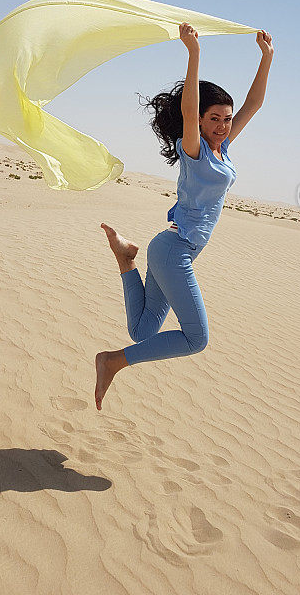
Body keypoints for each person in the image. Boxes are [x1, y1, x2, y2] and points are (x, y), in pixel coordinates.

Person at [95, 22, 274, 409]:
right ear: (199, 121)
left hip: (174, 249)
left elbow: (254, 104)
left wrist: (267, 58)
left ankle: (127, 261)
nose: (223, 125)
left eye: (226, 119)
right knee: (196, 339)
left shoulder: (223, 148)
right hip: (174, 251)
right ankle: (112, 362)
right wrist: (193, 54)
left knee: (143, 332)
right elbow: (189, 108)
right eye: (215, 118)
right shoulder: (195, 150)